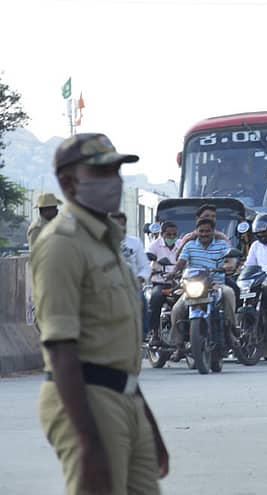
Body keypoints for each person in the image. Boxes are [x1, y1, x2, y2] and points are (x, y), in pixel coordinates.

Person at [31, 133, 168, 494]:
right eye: (100, 172)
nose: (113, 181)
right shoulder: (62, 244)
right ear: (68, 182)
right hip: (87, 400)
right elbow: (61, 349)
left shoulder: (107, 242)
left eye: (116, 171)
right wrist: (87, 439)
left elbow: (118, 348)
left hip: (125, 397)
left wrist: (149, 424)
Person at [169, 217, 236, 354]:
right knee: (176, 310)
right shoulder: (190, 246)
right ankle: (178, 344)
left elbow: (230, 262)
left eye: (207, 231)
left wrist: (227, 267)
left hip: (216, 285)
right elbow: (181, 262)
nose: (204, 234)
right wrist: (173, 272)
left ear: (213, 232)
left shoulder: (222, 245)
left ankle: (231, 330)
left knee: (229, 293)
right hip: (194, 287)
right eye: (201, 231)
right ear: (196, 232)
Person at [111, 212, 153, 339]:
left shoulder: (135, 243)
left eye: (122, 225)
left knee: (142, 302)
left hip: (132, 285)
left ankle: (143, 333)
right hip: (109, 285)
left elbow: (145, 267)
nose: (120, 228)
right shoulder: (101, 242)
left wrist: (139, 279)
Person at [146, 221, 181, 345]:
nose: (172, 237)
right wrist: (155, 269)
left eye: (174, 234)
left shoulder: (181, 244)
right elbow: (148, 263)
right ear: (162, 234)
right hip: (161, 283)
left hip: (178, 283)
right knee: (155, 298)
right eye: (169, 234)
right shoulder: (154, 246)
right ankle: (154, 333)